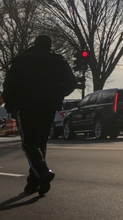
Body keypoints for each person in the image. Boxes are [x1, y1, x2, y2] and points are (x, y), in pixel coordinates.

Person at [1, 35, 77, 196]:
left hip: (27, 105)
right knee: (41, 142)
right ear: (49, 46)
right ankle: (34, 182)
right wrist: (58, 95)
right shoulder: (58, 61)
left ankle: (42, 172)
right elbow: (72, 82)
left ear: (35, 44)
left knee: (29, 143)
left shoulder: (22, 61)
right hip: (48, 106)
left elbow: (9, 84)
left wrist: (10, 104)